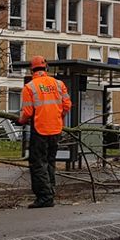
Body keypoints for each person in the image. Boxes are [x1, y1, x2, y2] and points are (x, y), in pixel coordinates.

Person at [19, 56, 71, 208]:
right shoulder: (59, 84)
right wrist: (58, 117)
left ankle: (45, 197)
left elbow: (27, 113)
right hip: (56, 129)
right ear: (46, 68)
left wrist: (19, 121)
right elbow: (67, 105)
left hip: (40, 130)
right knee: (50, 161)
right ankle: (50, 191)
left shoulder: (30, 87)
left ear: (31, 69)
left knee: (38, 164)